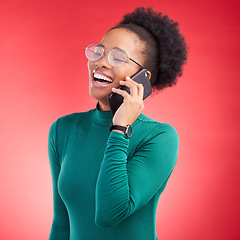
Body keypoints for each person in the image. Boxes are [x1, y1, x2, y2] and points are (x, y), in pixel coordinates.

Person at [48, 7, 187, 240]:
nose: (100, 62)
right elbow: (61, 223)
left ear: (143, 77)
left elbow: (110, 214)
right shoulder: (63, 129)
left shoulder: (159, 136)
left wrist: (120, 128)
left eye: (117, 57)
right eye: (99, 51)